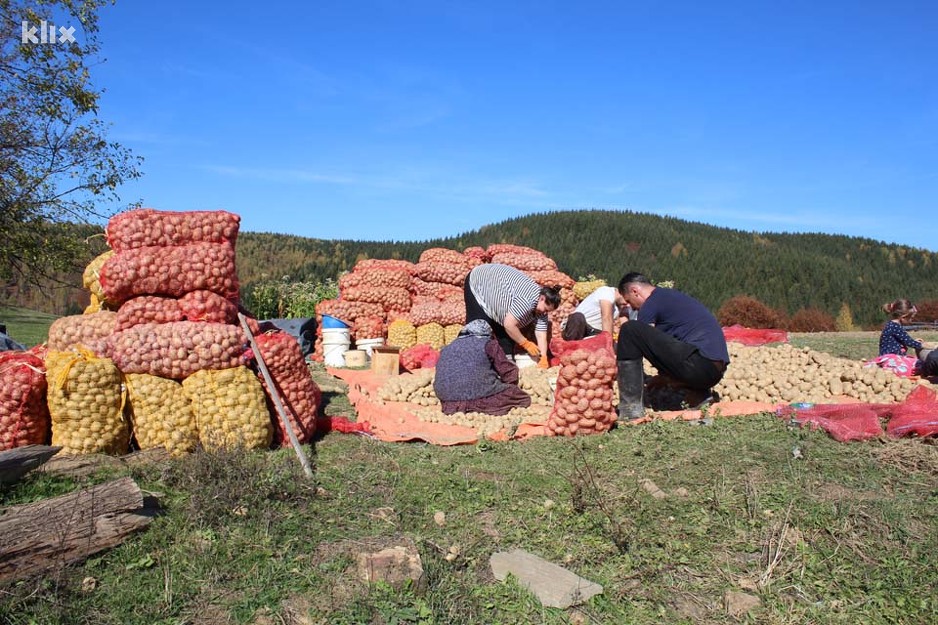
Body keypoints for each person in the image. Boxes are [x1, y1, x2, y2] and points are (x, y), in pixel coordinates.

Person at [615, 272, 730, 419]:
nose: (632, 308)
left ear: (635, 291)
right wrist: (663, 377)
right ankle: (699, 396)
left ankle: (630, 409)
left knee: (630, 329)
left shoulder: (651, 303)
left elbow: (641, 341)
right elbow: (665, 348)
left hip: (698, 364)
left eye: (629, 302)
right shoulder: (668, 296)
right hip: (713, 371)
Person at [464, 263, 560, 368]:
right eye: (545, 309)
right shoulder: (527, 300)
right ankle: (469, 365)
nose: (545, 313)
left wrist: (543, 357)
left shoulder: (542, 308)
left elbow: (541, 334)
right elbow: (509, 325)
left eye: (548, 311)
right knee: (478, 329)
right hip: (480, 283)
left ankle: (506, 365)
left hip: (500, 294)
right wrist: (525, 343)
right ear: (542, 298)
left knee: (506, 336)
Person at [432, 319, 532, 415]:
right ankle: (477, 406)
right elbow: (508, 370)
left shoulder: (447, 347)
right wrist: (510, 385)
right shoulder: (488, 343)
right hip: (480, 399)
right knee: (521, 397)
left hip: (448, 402)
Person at [562, 285, 629, 341]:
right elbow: (606, 318)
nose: (628, 305)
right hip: (580, 326)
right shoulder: (607, 292)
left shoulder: (620, 306)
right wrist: (608, 344)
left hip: (594, 332)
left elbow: (625, 325)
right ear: (622, 292)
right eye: (627, 301)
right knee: (577, 317)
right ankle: (570, 347)